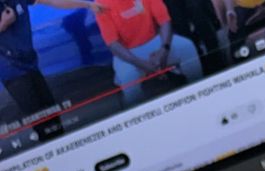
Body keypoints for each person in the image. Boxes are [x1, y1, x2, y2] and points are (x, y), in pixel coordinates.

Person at [0, 0, 102, 139]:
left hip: (30, 63)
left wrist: (86, 4)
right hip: (11, 70)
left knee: (51, 113)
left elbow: (53, 1)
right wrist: (3, 24)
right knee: (40, 120)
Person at [94, 0, 202, 105]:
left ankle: (199, 92)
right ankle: (135, 114)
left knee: (187, 47)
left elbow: (164, 21)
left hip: (154, 41)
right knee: (128, 76)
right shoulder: (101, 4)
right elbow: (113, 44)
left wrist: (164, 49)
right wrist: (141, 64)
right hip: (127, 52)